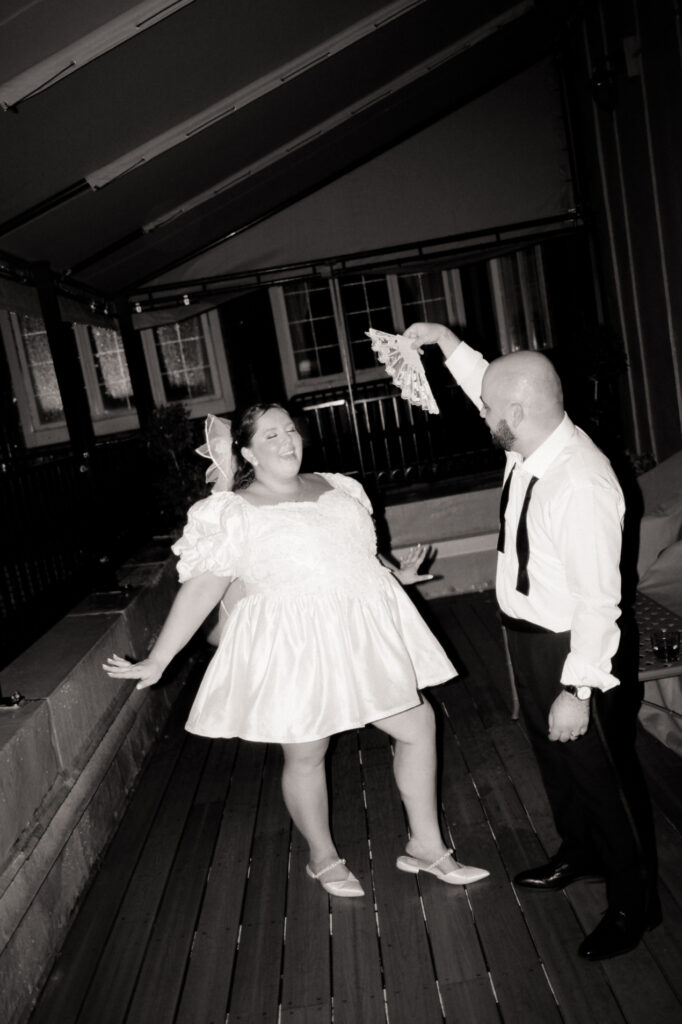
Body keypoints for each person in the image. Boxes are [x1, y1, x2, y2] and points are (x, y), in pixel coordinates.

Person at [104, 403, 489, 897]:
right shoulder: (234, 511)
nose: (287, 441)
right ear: (246, 452)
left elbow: (355, 553)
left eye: (290, 430)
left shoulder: (339, 486)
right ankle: (322, 857)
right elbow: (203, 588)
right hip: (295, 643)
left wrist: (397, 575)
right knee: (308, 750)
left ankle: (426, 846)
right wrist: (160, 657)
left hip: (362, 632)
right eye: (270, 436)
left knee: (418, 724)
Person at [403, 322, 659, 961]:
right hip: (529, 637)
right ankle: (582, 853)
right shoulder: (530, 441)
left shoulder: (580, 482)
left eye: (490, 407)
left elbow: (601, 601)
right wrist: (443, 340)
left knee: (603, 776)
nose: (481, 411)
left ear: (517, 412)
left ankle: (637, 903)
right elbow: (488, 383)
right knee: (555, 761)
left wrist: (577, 687)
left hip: (577, 648)